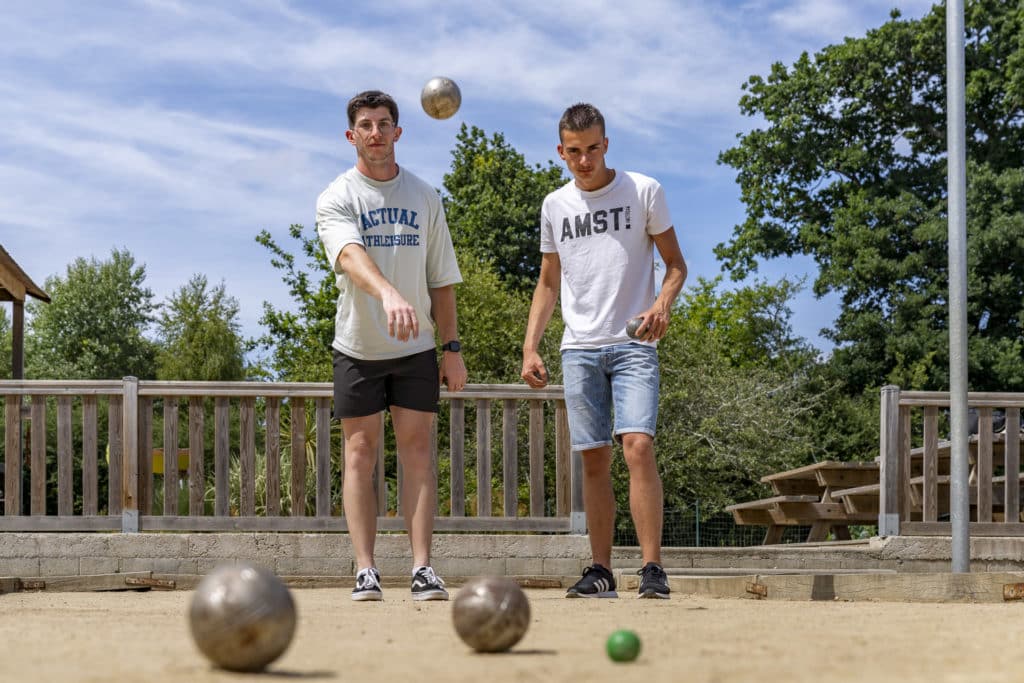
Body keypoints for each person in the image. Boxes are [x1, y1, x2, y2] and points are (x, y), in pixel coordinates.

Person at [521, 103, 687, 599]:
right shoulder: (555, 206)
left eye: (593, 149)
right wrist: (531, 346)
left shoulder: (643, 190)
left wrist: (661, 304)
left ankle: (652, 569)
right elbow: (549, 281)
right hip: (579, 348)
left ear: (606, 144)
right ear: (561, 152)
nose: (584, 160)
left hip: (633, 342)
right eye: (574, 152)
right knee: (592, 460)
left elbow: (675, 265)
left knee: (637, 446)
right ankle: (601, 571)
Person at [316, 90, 467, 602]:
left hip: (417, 347)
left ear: (398, 132)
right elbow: (350, 256)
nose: (375, 132)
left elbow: (442, 278)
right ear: (351, 135)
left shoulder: (425, 196)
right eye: (366, 124)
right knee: (360, 453)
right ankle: (365, 569)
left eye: (384, 123)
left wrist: (451, 347)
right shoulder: (337, 196)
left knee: (418, 452)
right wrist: (388, 294)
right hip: (358, 345)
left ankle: (423, 568)